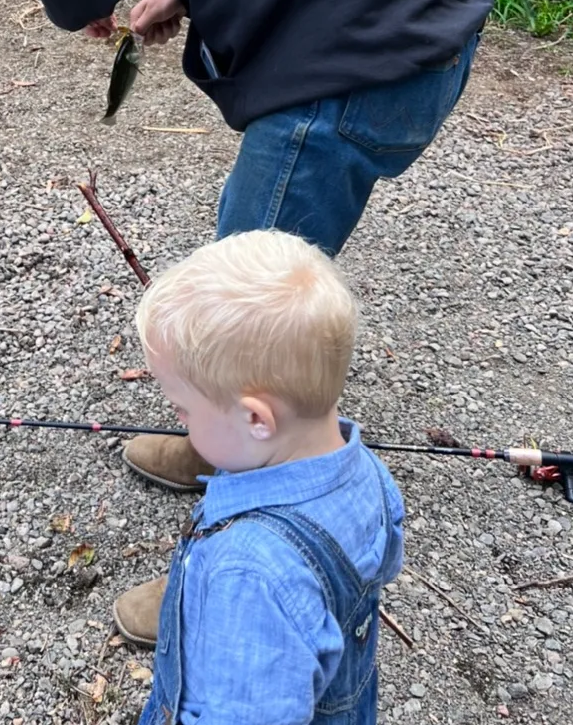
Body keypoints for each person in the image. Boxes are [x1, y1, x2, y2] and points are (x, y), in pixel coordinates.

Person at [33, 0, 491, 643]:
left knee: (247, 338)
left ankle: (231, 579)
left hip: (349, 72)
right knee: (256, 304)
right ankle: (216, 442)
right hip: (420, 36)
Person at [131, 229, 404, 724]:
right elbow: (383, 564)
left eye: (183, 409)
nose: (178, 422)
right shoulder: (365, 468)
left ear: (257, 420)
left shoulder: (250, 576)